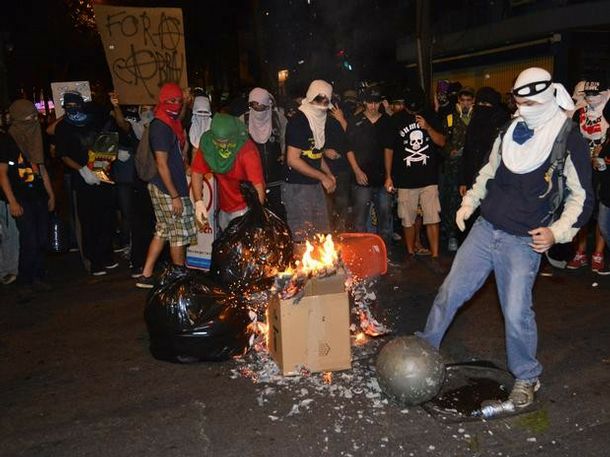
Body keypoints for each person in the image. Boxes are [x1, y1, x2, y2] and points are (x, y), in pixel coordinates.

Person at [419, 68, 594, 409]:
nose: (522, 108)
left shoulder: (567, 137)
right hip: (486, 228)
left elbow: (582, 197)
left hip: (523, 240)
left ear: (546, 99)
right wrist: (470, 202)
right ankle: (425, 348)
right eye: (518, 102)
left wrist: (558, 232)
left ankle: (527, 375)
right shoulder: (510, 128)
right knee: (450, 292)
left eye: (530, 103)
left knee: (516, 313)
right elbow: (490, 170)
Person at [136, 83, 197, 288]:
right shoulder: (161, 127)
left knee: (163, 230)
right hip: (166, 188)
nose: (176, 105)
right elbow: (161, 164)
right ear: (162, 101)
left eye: (178, 101)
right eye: (171, 100)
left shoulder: (170, 122)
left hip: (164, 186)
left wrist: (185, 101)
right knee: (178, 234)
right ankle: (179, 279)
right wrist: (174, 196)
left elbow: (179, 116)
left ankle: (146, 274)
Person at [384, 86, 447, 273]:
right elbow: (389, 149)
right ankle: (410, 254)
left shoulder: (431, 116)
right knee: (407, 219)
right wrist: (388, 176)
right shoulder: (396, 120)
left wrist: (427, 128)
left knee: (432, 217)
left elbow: (442, 141)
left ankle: (435, 256)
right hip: (405, 179)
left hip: (429, 178)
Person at [55, 92, 117, 276]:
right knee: (89, 220)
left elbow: (107, 136)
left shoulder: (94, 119)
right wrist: (82, 170)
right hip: (83, 178)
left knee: (107, 217)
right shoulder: (63, 127)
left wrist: (107, 160)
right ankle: (94, 260)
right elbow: (63, 155)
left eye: (75, 105)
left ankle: (107, 255)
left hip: (102, 172)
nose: (72, 109)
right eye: (68, 106)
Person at [0, 100, 55, 301]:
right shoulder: (7, 142)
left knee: (41, 238)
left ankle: (38, 276)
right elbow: (2, 174)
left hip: (38, 195)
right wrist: (12, 201)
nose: (33, 121)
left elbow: (41, 168)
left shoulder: (35, 137)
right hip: (21, 197)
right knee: (29, 239)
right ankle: (25, 280)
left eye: (34, 117)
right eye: (29, 118)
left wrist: (51, 194)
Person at [282, 80, 337, 241]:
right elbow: (293, 160)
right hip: (296, 185)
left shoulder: (320, 121)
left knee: (321, 233)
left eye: (326, 101)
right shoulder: (298, 122)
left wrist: (329, 174)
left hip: (314, 183)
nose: (322, 105)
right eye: (319, 100)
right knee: (303, 235)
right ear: (311, 97)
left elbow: (316, 154)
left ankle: (321, 259)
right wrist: (322, 177)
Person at [191, 113, 265, 230]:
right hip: (224, 206)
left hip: (245, 207)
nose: (223, 146)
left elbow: (258, 186)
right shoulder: (208, 144)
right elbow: (197, 172)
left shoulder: (247, 150)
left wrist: (255, 215)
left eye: (226, 141)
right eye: (218, 142)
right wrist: (198, 203)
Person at [566, 79, 610, 273]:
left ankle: (598, 253)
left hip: (604, 166)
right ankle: (581, 250)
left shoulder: (608, 111)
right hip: (583, 165)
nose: (591, 98)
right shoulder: (579, 112)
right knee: (581, 204)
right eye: (588, 94)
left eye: (595, 94)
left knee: (603, 208)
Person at [458, 87, 510, 238]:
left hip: (494, 179)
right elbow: (467, 152)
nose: (483, 108)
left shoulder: (502, 124)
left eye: (487, 104)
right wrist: (463, 181)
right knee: (469, 215)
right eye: (480, 104)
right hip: (472, 178)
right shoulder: (474, 122)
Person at [346, 87, 393, 246]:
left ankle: (384, 253)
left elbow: (389, 149)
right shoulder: (355, 121)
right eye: (370, 103)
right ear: (365, 102)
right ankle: (361, 252)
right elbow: (348, 148)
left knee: (385, 218)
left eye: (376, 103)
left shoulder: (386, 121)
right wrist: (357, 171)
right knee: (360, 220)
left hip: (381, 179)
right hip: (361, 179)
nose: (373, 106)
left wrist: (389, 176)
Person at [241, 88, 286, 219]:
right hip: (252, 181)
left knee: (278, 215)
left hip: (276, 179)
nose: (258, 110)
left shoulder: (278, 119)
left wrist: (285, 153)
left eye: (262, 107)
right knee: (255, 216)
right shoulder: (242, 121)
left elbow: (286, 139)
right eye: (254, 106)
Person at [440, 86, 475, 252]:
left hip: (472, 168)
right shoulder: (450, 119)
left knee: (472, 200)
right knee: (452, 201)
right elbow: (443, 141)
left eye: (469, 100)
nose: (466, 104)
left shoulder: (477, 118)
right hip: (453, 168)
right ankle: (452, 235)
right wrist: (450, 151)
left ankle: (470, 237)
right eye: (463, 100)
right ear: (458, 102)